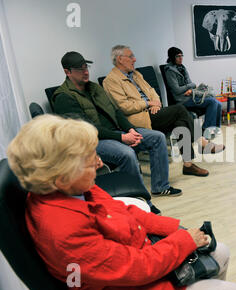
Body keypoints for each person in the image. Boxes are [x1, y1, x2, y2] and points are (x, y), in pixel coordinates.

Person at [6, 114, 236, 290]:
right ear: (61, 175)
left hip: (138, 258)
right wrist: (185, 241)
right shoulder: (62, 230)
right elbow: (136, 268)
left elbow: (124, 211)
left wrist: (177, 230)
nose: (100, 163)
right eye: (90, 159)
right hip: (125, 288)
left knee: (221, 251)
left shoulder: (73, 187)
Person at [52, 51, 181, 201]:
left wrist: (130, 129)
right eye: (79, 69)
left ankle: (160, 187)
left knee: (157, 137)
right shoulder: (63, 97)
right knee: (126, 153)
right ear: (67, 72)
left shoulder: (94, 87)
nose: (85, 72)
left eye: (85, 67)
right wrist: (121, 137)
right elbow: (86, 129)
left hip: (117, 132)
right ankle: (140, 199)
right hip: (93, 142)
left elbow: (116, 112)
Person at [103, 45, 225, 178]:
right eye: (131, 56)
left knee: (181, 122)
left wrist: (156, 103)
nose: (135, 59)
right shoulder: (110, 81)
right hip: (137, 119)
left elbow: (152, 92)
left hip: (153, 112)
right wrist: (149, 103)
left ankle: (188, 165)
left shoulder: (136, 74)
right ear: (120, 59)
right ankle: (202, 142)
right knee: (179, 110)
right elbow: (124, 107)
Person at [164, 47, 222, 139]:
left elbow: (193, 84)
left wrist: (190, 89)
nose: (181, 58)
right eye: (178, 56)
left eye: (181, 56)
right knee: (212, 102)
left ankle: (215, 128)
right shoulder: (169, 71)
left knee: (218, 102)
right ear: (172, 57)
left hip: (191, 95)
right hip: (182, 99)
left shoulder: (182, 68)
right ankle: (205, 130)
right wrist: (189, 87)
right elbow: (177, 90)